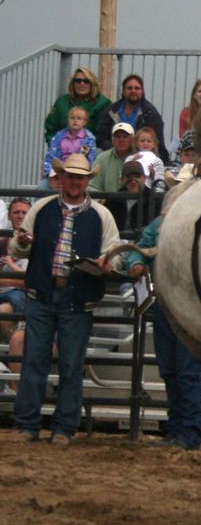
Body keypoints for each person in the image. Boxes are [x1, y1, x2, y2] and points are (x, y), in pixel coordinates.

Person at [10, 153, 120, 444]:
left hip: (75, 297)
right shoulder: (43, 209)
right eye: (70, 176)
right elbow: (18, 246)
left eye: (79, 177)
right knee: (36, 360)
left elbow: (114, 252)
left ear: (87, 181)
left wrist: (108, 264)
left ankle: (59, 427)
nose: (74, 181)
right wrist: (20, 242)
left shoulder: (100, 215)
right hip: (45, 293)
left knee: (70, 363)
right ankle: (33, 424)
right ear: (61, 179)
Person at [126, 216, 201, 450]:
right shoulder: (163, 222)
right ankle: (179, 430)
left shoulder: (199, 218)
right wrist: (135, 262)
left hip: (189, 304)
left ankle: (187, 432)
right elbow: (140, 247)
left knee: (185, 370)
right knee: (172, 369)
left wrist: (137, 259)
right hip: (167, 302)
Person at [96, 74, 168, 163]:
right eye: (129, 88)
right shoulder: (111, 111)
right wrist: (117, 149)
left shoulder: (151, 113)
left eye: (137, 88)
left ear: (142, 91)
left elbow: (158, 143)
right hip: (114, 154)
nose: (133, 91)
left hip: (141, 157)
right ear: (123, 91)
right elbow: (101, 138)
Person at [44, 67, 111, 144]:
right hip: (61, 148)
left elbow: (103, 133)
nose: (82, 84)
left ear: (92, 83)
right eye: (78, 81)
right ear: (73, 83)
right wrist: (56, 145)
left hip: (91, 148)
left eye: (86, 81)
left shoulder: (103, 103)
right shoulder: (62, 101)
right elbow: (50, 129)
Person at [0, 198, 31, 342]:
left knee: (6, 309)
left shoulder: (38, 242)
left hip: (24, 294)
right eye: (16, 212)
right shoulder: (2, 241)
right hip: (6, 292)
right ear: (8, 216)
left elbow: (30, 282)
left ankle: (16, 350)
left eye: (24, 212)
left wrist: (5, 280)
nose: (20, 216)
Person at [105, 161, 161, 231]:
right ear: (122, 179)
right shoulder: (113, 200)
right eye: (129, 177)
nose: (133, 181)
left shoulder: (155, 200)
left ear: (144, 178)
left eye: (137, 176)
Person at [42, 106, 96, 178]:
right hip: (59, 171)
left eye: (79, 118)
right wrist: (50, 173)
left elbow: (89, 160)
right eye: (72, 118)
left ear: (85, 122)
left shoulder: (89, 139)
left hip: (79, 171)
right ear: (68, 120)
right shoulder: (59, 136)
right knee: (42, 187)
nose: (75, 121)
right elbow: (51, 156)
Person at [89, 123, 135, 193]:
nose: (121, 140)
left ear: (132, 139)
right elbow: (91, 186)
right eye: (118, 136)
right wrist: (100, 200)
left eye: (125, 136)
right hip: (107, 202)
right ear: (112, 139)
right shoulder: (102, 158)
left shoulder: (141, 158)